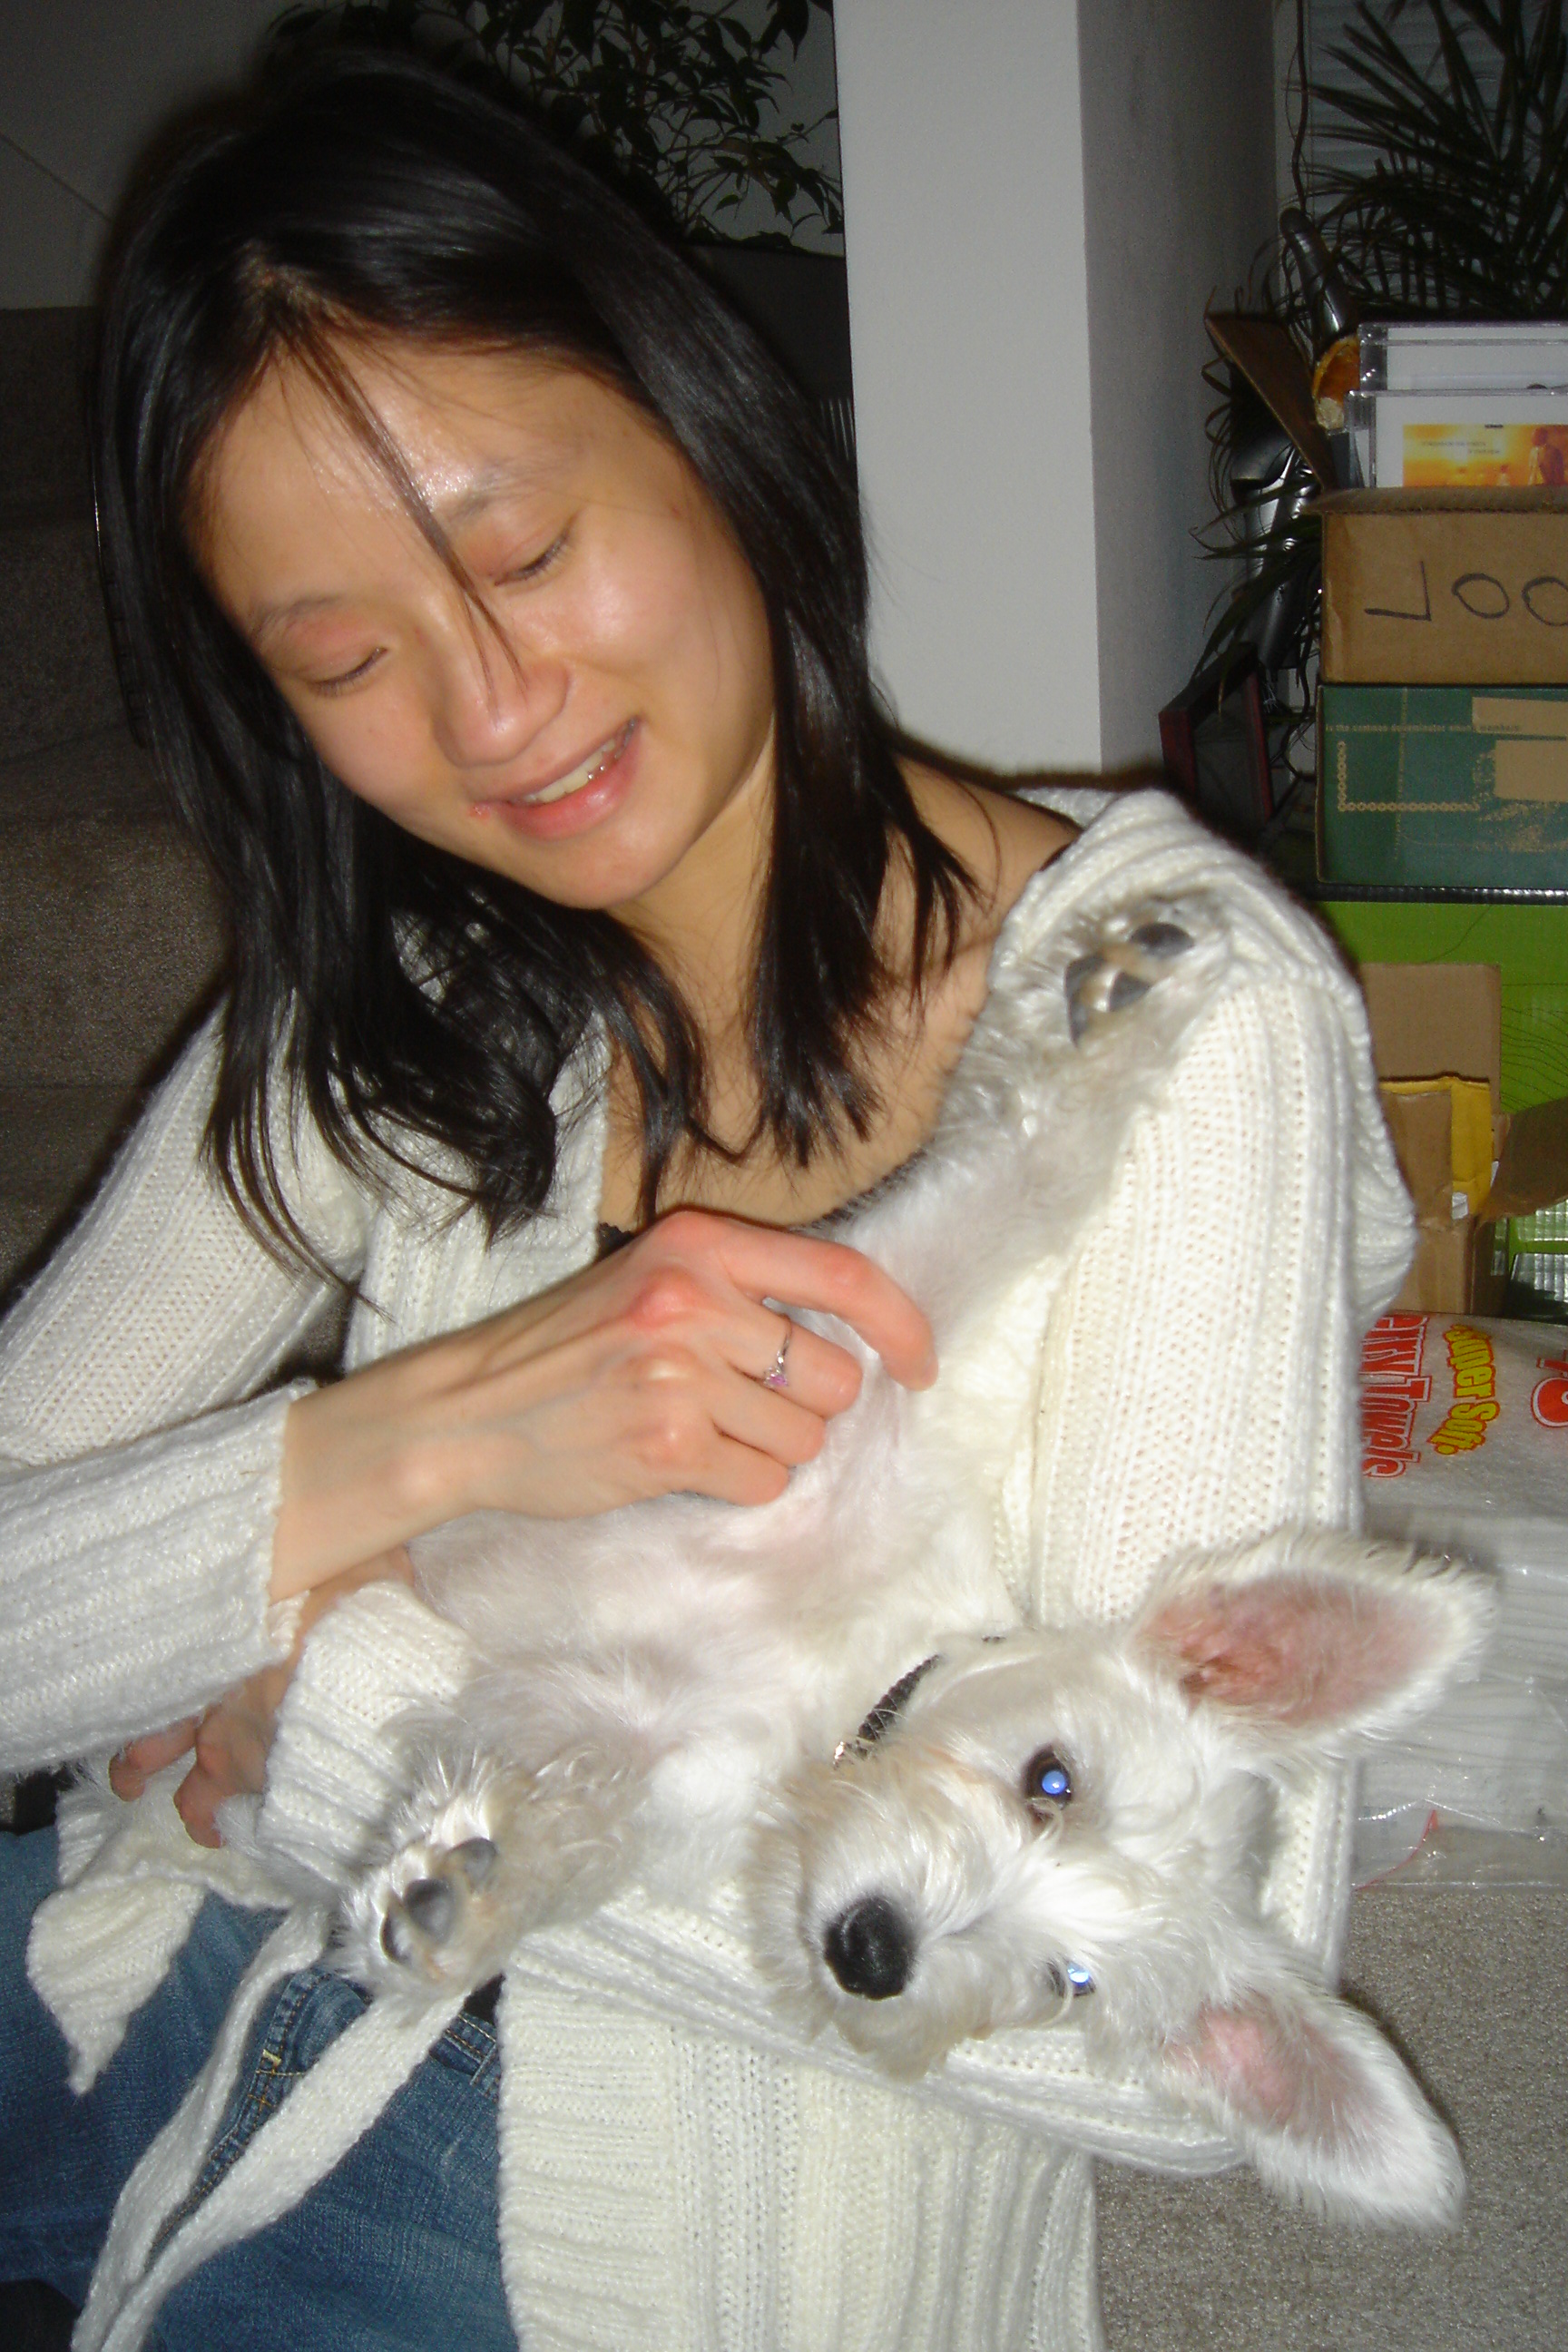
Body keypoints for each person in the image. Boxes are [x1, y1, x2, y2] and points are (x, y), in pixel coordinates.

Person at [0, 49, 1414, 2352]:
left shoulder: (1184, 1020)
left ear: (704, 421)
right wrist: (415, 1440)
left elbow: (1154, 2031)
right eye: (342, 658)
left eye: (525, 554)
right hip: (179, 1970)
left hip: (607, 2244)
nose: (491, 715)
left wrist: (328, 1710)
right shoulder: (412, 984)